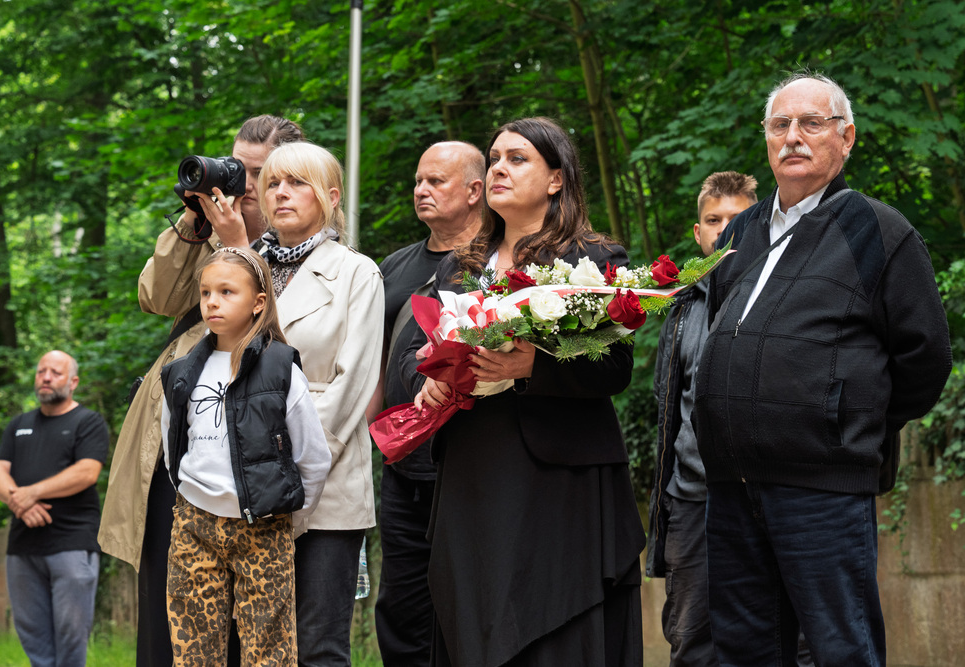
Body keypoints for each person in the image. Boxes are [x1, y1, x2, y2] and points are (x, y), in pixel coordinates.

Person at [694, 71, 953, 666]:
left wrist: (846, 419)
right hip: (730, 485)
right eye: (780, 125)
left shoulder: (879, 230)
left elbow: (926, 356)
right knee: (743, 650)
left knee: (841, 647)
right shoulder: (743, 231)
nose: (793, 137)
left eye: (811, 123)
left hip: (821, 488)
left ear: (847, 137)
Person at [403, 117, 645, 666]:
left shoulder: (594, 260)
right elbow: (419, 350)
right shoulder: (459, 267)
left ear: (556, 179)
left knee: (553, 630)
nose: (499, 169)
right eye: (494, 159)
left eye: (517, 159)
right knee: (476, 621)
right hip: (473, 471)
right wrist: (432, 379)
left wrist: (535, 365)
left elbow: (615, 367)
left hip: (560, 480)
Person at [98, 115, 303, 666]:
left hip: (250, 466)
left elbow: (287, 350)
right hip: (179, 449)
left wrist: (241, 248)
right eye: (236, 166)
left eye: (257, 172)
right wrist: (194, 221)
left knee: (246, 632)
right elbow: (156, 296)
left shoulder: (302, 248)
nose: (242, 182)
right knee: (169, 617)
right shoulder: (207, 235)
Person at [161, 247, 331, 666]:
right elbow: (172, 445)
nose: (212, 302)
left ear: (258, 302)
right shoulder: (181, 370)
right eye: (206, 293)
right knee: (193, 646)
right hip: (194, 525)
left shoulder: (279, 368)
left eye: (226, 292)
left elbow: (312, 457)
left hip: (263, 528)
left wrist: (286, 516)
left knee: (269, 648)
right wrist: (190, 496)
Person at [256, 140, 384, 666]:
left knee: (317, 646)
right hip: (243, 480)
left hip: (326, 480)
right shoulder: (241, 268)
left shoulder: (358, 272)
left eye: (297, 183)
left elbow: (354, 384)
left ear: (331, 197)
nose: (281, 193)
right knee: (257, 646)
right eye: (272, 183)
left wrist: (295, 460)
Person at [371, 141, 484, 666]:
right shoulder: (395, 265)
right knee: (401, 607)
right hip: (401, 464)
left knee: (466, 606)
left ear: (475, 191)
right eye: (419, 180)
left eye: (436, 181)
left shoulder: (497, 262)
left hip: (470, 463)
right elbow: (373, 356)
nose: (421, 190)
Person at [645, 171, 757, 666]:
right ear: (698, 232)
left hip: (766, 496)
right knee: (692, 640)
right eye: (713, 220)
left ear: (759, 223)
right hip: (692, 498)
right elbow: (668, 403)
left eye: (737, 218)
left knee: (781, 638)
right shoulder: (682, 306)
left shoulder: (782, 295)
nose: (724, 229)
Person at [0, 350, 109, 667]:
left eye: (55, 372)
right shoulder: (19, 424)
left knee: (71, 632)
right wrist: (19, 502)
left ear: (73, 382)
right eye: (41, 371)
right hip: (23, 546)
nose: (46, 377)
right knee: (32, 633)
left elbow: (87, 472)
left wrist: (31, 493)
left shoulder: (88, 421)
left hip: (72, 543)